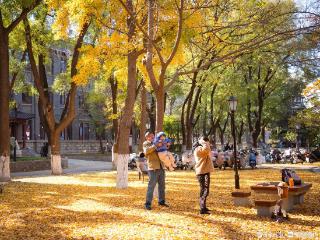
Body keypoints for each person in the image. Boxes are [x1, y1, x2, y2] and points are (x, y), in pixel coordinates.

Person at [143, 131, 169, 210]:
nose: (153, 138)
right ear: (147, 137)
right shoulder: (146, 143)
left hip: (161, 166)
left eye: (153, 136)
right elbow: (146, 151)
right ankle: (147, 203)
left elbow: (164, 151)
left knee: (162, 186)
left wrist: (166, 145)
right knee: (151, 186)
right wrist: (155, 145)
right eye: (151, 137)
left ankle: (161, 201)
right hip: (153, 168)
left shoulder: (157, 142)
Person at [193, 136, 214, 214]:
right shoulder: (198, 149)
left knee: (206, 190)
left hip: (205, 171)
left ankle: (203, 207)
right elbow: (206, 150)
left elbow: (208, 152)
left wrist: (205, 143)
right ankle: (202, 209)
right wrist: (204, 142)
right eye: (205, 141)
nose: (207, 142)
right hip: (201, 172)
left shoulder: (202, 148)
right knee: (204, 190)